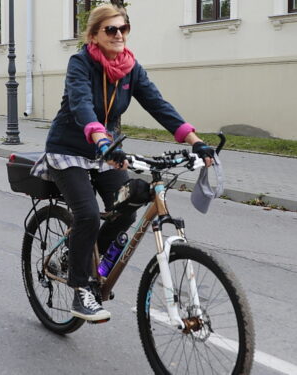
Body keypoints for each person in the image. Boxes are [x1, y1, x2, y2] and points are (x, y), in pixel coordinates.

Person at [31, 4, 215, 321]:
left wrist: (194, 139)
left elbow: (157, 103)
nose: (119, 35)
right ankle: (81, 290)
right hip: (71, 150)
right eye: (111, 30)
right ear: (94, 35)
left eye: (123, 29)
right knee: (87, 214)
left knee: (127, 206)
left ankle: (81, 257)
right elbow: (81, 103)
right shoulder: (81, 63)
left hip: (107, 153)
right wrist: (99, 136)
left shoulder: (130, 68)